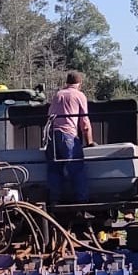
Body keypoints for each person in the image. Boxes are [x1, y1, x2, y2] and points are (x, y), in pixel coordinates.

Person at [45, 70, 93, 204]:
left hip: (53, 136)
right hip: (68, 136)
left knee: (54, 169)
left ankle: (54, 202)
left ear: (67, 82)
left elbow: (49, 116)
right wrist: (89, 142)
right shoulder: (79, 95)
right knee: (76, 168)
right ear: (80, 83)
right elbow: (84, 121)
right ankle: (81, 204)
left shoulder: (58, 95)